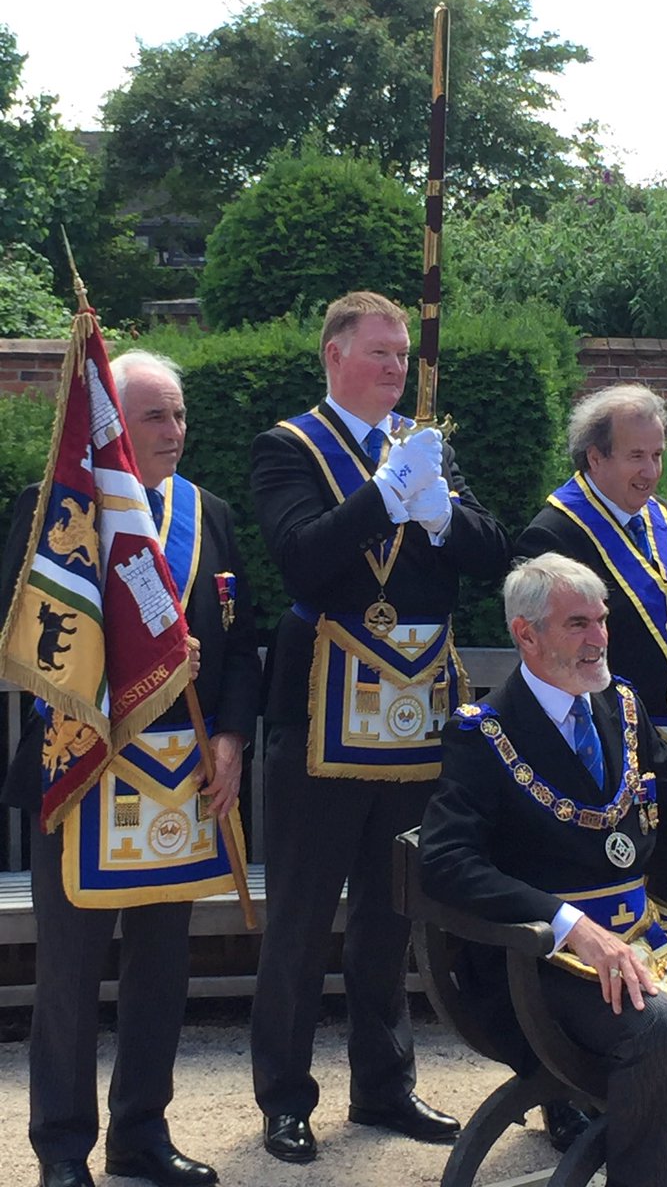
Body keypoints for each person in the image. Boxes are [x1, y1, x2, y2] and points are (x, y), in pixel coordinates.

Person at [419, 553, 667, 1187]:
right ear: (526, 634)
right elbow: (444, 863)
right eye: (577, 624)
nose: (599, 639)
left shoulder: (623, 709)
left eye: (601, 621)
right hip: (537, 965)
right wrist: (568, 924)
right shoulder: (482, 732)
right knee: (659, 1025)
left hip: (645, 934)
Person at [249, 291, 511, 1164]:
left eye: (403, 355)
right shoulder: (286, 449)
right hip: (322, 709)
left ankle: (384, 1086)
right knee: (300, 917)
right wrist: (381, 497)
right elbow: (302, 556)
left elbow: (491, 551)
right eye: (380, 354)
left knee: (389, 914)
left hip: (411, 715)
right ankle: (284, 1098)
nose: (398, 369)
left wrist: (438, 508)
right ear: (333, 356)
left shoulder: (424, 448)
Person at [0, 351, 260, 1187]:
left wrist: (232, 740)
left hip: (181, 780)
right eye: (155, 417)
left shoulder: (208, 513)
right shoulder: (52, 511)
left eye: (180, 414)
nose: (175, 432)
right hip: (81, 774)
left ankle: (141, 1135)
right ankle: (62, 1151)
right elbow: (28, 640)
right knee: (71, 976)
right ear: (112, 422)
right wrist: (133, 663)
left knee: (161, 970)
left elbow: (242, 647)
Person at [517, 383, 667, 751]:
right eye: (637, 456)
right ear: (595, 458)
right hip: (607, 744)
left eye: (658, 455)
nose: (650, 471)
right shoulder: (553, 535)